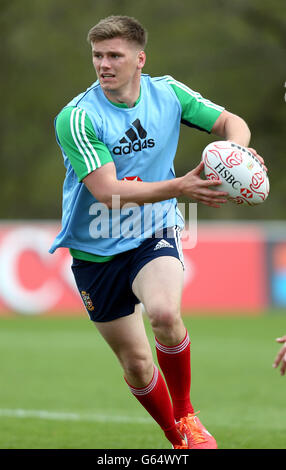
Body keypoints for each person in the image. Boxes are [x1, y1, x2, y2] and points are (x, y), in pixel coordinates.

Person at [49, 15, 265, 449]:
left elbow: (230, 123)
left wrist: (234, 152)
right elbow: (108, 190)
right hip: (96, 251)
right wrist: (181, 185)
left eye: (115, 55)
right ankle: (176, 438)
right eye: (97, 55)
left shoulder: (167, 93)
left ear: (139, 59)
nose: (104, 64)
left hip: (154, 229)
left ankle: (186, 416)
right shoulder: (77, 117)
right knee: (136, 362)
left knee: (165, 315)